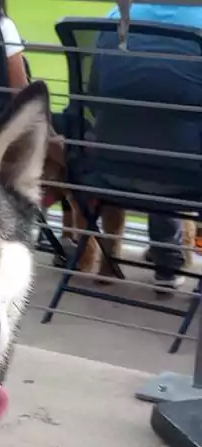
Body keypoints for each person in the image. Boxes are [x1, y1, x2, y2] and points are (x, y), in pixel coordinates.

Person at [101, 2, 202, 289]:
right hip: (182, 175)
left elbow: (95, 92)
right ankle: (168, 258)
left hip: (111, 168)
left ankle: (166, 252)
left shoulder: (114, 18)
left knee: (160, 132)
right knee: (173, 139)